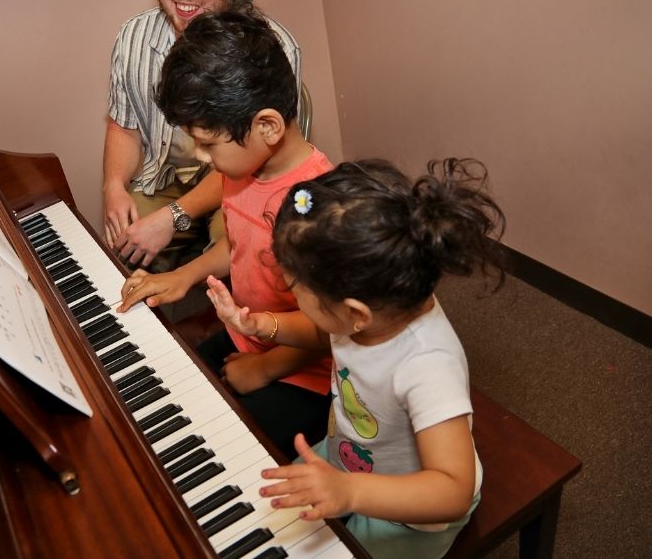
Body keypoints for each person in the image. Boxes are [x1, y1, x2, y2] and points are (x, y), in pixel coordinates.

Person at [204, 158, 507, 558]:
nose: (288, 293)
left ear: (355, 312)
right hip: (350, 456)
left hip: (408, 512)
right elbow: (324, 329)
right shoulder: (367, 314)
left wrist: (349, 492)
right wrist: (264, 326)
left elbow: (452, 489)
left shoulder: (428, 366)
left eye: (294, 287)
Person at [117, 8, 332, 460]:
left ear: (267, 126)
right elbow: (240, 245)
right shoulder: (245, 166)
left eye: (208, 143)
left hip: (306, 370)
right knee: (168, 393)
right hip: (247, 336)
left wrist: (266, 368)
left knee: (226, 456)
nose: (201, 156)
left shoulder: (314, 208)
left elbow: (332, 328)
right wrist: (185, 276)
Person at [103, 0, 301, 272]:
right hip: (163, 178)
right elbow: (122, 125)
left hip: (243, 183)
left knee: (247, 254)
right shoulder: (132, 36)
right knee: (124, 247)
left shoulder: (277, 50)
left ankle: (226, 323)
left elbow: (262, 162)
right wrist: (113, 187)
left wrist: (174, 216)